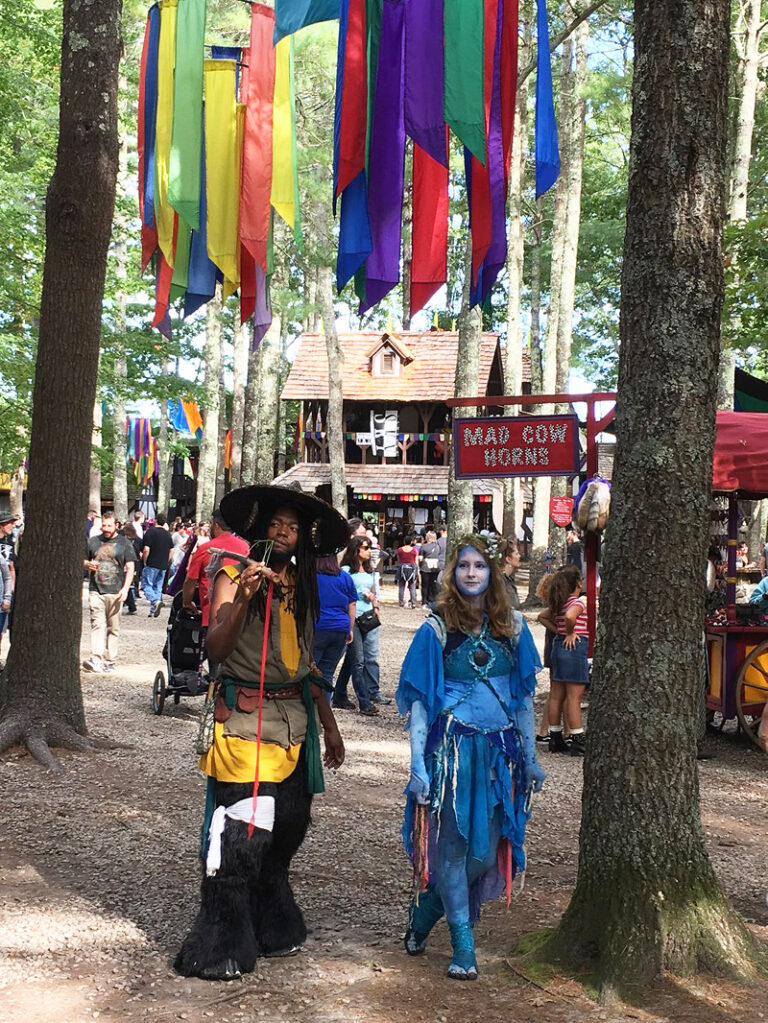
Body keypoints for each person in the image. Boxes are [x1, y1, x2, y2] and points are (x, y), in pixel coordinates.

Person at [175, 485, 348, 981]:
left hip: (295, 721)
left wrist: (330, 725)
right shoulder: (233, 572)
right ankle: (220, 936)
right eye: (276, 523)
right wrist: (244, 600)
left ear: (303, 538)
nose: (284, 531)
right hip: (246, 719)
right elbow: (216, 648)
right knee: (243, 830)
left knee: (290, 825)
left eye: (293, 527)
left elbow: (307, 665)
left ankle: (272, 917)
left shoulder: (303, 586)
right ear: (260, 527)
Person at [398, 536, 543, 980]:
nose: (472, 573)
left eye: (480, 565)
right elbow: (421, 702)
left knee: (486, 850)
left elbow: (522, 701)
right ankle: (464, 946)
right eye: (463, 565)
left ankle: (424, 913)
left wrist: (532, 758)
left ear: (492, 573)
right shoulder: (435, 628)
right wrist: (418, 766)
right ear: (452, 573)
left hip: (501, 756)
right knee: (455, 849)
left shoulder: (513, 626)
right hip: (452, 753)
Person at [538, 565, 589, 756]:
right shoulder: (578, 602)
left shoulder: (559, 603)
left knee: (556, 693)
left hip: (558, 647)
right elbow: (570, 616)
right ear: (578, 583)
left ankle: (555, 736)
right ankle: (577, 737)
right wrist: (570, 632)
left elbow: (542, 616)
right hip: (574, 648)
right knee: (574, 696)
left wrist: (558, 631)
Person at [83, 512, 137, 673]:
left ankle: (110, 660)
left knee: (113, 628)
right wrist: (87, 564)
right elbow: (83, 559)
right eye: (103, 525)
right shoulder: (93, 542)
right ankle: (96, 658)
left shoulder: (124, 543)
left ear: (116, 525)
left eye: (109, 525)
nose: (106, 529)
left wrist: (126, 589)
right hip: (96, 590)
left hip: (116, 591)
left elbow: (130, 568)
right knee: (97, 624)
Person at [340, 536, 387, 714]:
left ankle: (339, 695)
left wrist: (375, 604)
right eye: (366, 548)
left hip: (368, 618)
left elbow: (374, 592)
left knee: (352, 660)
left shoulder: (370, 572)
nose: (369, 551)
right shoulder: (345, 571)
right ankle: (364, 701)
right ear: (356, 550)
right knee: (358, 661)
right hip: (352, 618)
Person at [183, 509, 250, 629]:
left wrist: (187, 602)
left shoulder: (205, 548)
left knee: (211, 646)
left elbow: (190, 580)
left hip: (211, 615)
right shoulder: (246, 547)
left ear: (216, 525)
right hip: (239, 614)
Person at [315, 554, 357, 707]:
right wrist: (350, 628)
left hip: (318, 626)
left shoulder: (313, 577)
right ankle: (324, 711)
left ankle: (310, 711)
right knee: (327, 672)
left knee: (310, 671)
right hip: (340, 627)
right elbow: (352, 605)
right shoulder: (345, 577)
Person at [141, 513, 174, 616]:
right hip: (163, 564)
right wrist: (167, 560)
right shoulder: (167, 534)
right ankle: (153, 610)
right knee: (158, 587)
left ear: (156, 521)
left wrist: (145, 560)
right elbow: (172, 550)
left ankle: (155, 601)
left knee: (147, 585)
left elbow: (146, 549)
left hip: (151, 563)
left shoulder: (150, 532)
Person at [498, 538, 521, 611]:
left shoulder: (509, 579)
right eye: (516, 554)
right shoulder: (500, 580)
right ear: (508, 559)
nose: (519, 556)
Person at [419, 531, 441, 606]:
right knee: (433, 585)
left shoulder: (424, 546)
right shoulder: (438, 546)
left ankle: (424, 602)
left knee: (425, 585)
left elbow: (420, 558)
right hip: (435, 567)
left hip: (425, 567)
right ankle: (433, 601)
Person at [397, 536, 419, 608]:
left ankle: (401, 602)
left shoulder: (400, 550)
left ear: (404, 541)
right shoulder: (414, 550)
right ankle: (413, 602)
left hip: (402, 567)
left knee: (401, 586)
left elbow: (398, 559)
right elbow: (416, 561)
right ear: (411, 542)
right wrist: (417, 570)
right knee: (412, 586)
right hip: (411, 567)